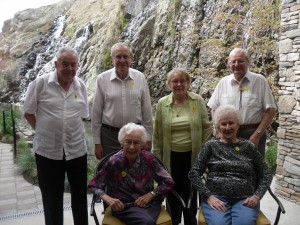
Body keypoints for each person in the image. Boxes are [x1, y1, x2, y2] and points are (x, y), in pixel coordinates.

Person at [23, 47, 89, 225]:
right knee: (52, 199)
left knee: (80, 196)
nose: (69, 68)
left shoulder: (80, 85)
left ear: (77, 66)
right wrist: (43, 131)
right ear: (56, 64)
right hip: (48, 152)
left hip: (76, 150)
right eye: (65, 64)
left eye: (73, 64)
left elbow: (82, 114)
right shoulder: (40, 84)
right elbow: (28, 112)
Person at [188, 104, 273, 225]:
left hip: (244, 200)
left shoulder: (249, 147)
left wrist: (257, 196)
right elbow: (194, 173)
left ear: (238, 125)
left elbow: (267, 173)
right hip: (216, 198)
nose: (227, 127)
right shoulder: (210, 146)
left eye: (231, 123)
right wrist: (208, 196)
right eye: (223, 124)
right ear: (217, 127)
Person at [152, 68, 212, 225]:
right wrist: (157, 160)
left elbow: (206, 127)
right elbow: (157, 134)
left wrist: (204, 152)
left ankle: (190, 221)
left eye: (182, 81)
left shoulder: (197, 101)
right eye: (174, 81)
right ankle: (173, 221)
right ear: (169, 84)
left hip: (192, 156)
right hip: (170, 157)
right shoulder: (162, 104)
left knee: (191, 191)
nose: (178, 84)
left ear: (188, 83)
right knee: (172, 192)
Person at [88, 122, 174, 225]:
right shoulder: (114, 162)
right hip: (124, 207)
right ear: (122, 143)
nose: (132, 147)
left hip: (149, 204)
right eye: (128, 142)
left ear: (142, 144)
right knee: (147, 222)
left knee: (147, 221)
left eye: (136, 142)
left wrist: (151, 194)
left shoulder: (148, 159)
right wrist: (108, 199)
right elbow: (93, 185)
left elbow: (168, 181)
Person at [207, 47, 277, 157]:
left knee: (253, 169)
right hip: (227, 134)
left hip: (252, 133)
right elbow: (214, 108)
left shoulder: (259, 81)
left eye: (240, 61)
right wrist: (219, 131)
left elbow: (271, 110)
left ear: (248, 62)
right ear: (229, 64)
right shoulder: (223, 82)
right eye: (233, 61)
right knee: (228, 168)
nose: (236, 64)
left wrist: (257, 134)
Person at [92, 42, 153, 160]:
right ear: (112, 59)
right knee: (110, 173)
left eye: (125, 56)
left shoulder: (140, 77)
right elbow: (96, 113)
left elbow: (147, 110)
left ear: (131, 59)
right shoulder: (102, 79)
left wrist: (148, 138)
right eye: (118, 56)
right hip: (109, 137)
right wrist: (97, 142)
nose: (122, 60)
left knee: (135, 172)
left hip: (135, 136)